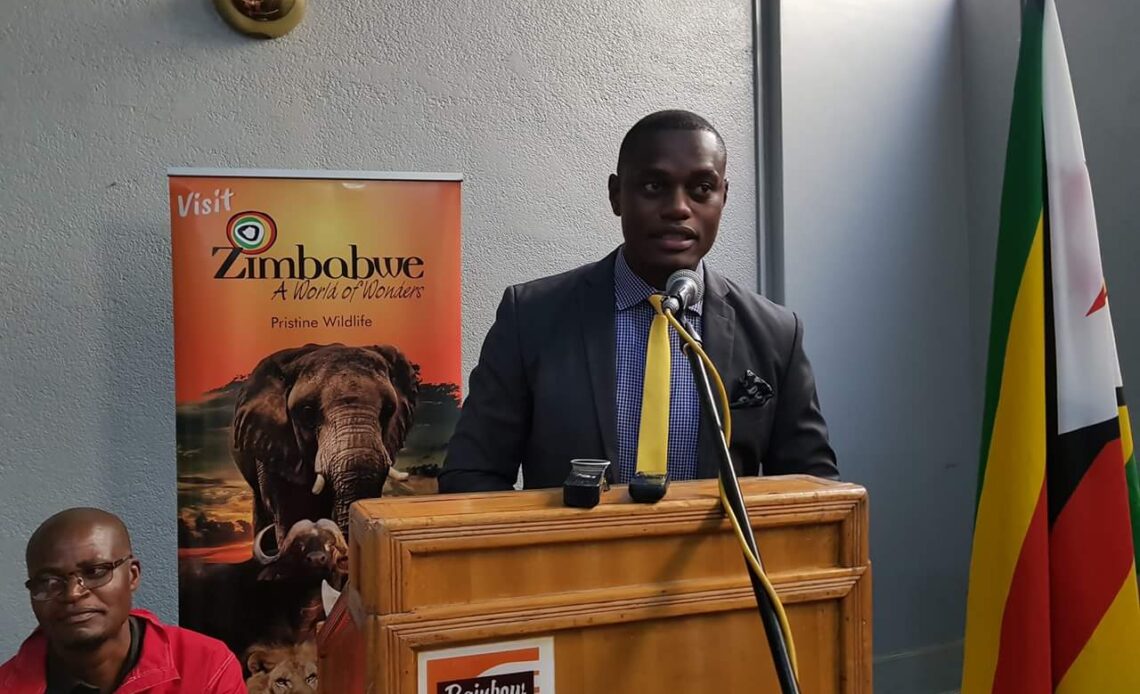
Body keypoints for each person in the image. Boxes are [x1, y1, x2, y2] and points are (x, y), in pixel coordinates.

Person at [440, 110, 838, 493]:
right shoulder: (530, 318)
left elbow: (816, 491)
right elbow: (471, 475)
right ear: (616, 195)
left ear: (723, 196)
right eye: (653, 186)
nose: (678, 208)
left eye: (702, 189)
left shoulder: (776, 334)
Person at [0, 508, 245, 693]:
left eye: (95, 571)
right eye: (49, 581)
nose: (73, 593)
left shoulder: (207, 667)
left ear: (132, 575)